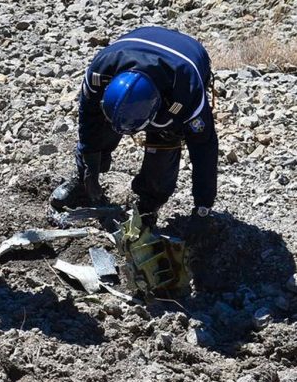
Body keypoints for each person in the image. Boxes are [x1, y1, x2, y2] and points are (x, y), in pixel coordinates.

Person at [50, 26, 219, 237]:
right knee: (99, 130)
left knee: (165, 137)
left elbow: (204, 149)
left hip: (184, 60)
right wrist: (89, 165)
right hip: (136, 45)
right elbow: (89, 118)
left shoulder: (187, 92)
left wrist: (203, 207)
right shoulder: (100, 71)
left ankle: (148, 207)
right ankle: (83, 184)